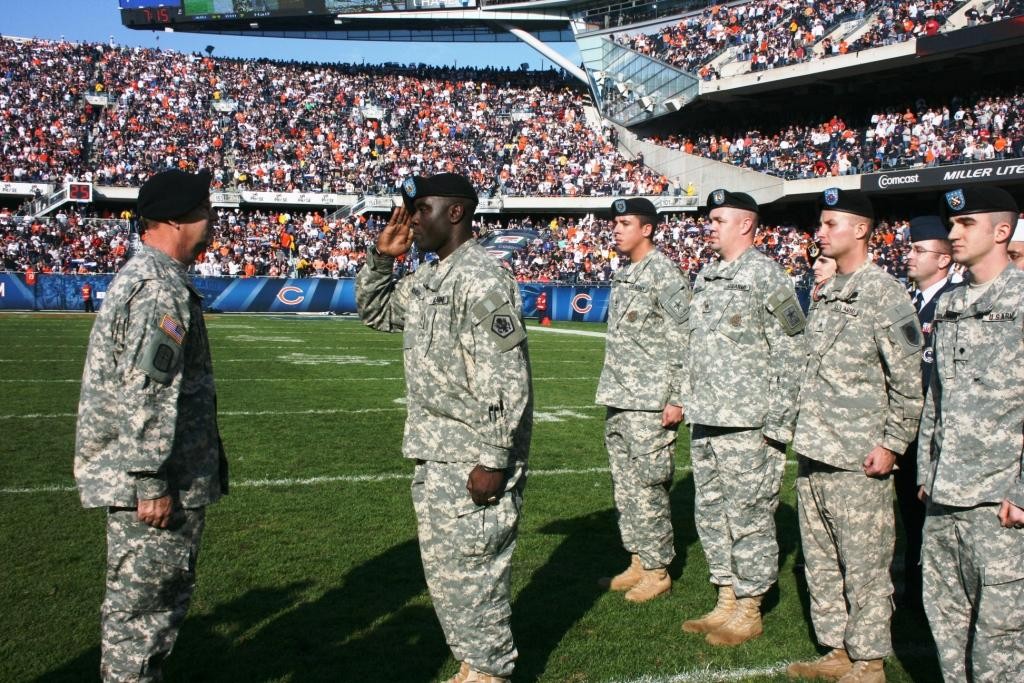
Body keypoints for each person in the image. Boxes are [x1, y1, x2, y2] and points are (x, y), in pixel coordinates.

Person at [356, 173, 533, 683]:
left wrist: (495, 459)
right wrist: (383, 260)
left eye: (421, 210)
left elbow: (506, 377)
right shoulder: (433, 276)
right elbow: (377, 312)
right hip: (438, 453)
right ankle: (474, 666)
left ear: (454, 213)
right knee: (450, 579)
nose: (412, 219)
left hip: (475, 456)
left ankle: (491, 672)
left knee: (476, 577)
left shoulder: (481, 278)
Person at [74, 169, 228, 683]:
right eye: (204, 211)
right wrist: (152, 482)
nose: (212, 220)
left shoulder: (148, 278)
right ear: (173, 220)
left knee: (139, 613)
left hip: (146, 477)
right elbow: (148, 394)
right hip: (155, 487)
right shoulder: (159, 289)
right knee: (144, 617)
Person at [788, 188, 923, 683]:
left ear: (861, 229)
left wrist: (892, 443)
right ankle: (837, 649)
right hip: (816, 449)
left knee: (865, 564)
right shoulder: (829, 291)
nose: (819, 234)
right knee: (821, 558)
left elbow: (907, 381)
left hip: (859, 455)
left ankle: (867, 661)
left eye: (830, 224)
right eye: (820, 225)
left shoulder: (884, 292)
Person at [681, 189, 806, 646]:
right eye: (709, 219)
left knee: (750, 517)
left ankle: (750, 607)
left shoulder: (768, 277)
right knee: (712, 514)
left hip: (749, 424)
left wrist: (777, 426)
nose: (709, 226)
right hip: (708, 419)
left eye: (718, 219)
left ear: (746, 224)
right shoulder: (708, 277)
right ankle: (726, 597)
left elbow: (793, 351)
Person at [918, 185, 1024, 682]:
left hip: (998, 500)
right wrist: (925, 469)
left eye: (966, 224)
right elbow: (936, 397)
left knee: (1001, 638)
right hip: (945, 492)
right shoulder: (951, 304)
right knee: (948, 622)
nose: (953, 233)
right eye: (952, 225)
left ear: (1002, 231)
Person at [595, 197, 691, 603]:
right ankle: (637, 557)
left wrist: (678, 397)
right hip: (621, 396)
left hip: (650, 401)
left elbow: (684, 337)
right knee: (627, 486)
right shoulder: (628, 273)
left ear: (647, 229)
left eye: (626, 223)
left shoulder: (663, 274)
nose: (616, 229)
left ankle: (657, 568)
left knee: (649, 486)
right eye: (615, 222)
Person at [895, 215, 956, 612]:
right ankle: (912, 595)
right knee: (907, 519)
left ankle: (928, 599)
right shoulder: (906, 301)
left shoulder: (954, 301)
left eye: (919, 250)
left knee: (932, 523)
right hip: (905, 428)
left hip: (936, 432)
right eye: (910, 249)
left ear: (944, 260)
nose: (910, 257)